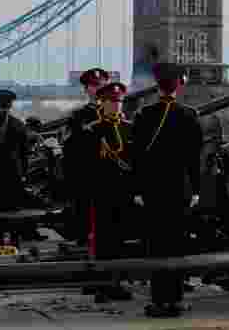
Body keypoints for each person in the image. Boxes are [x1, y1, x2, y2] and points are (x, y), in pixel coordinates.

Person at [132, 62, 203, 318]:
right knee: (177, 243)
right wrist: (196, 189)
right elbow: (195, 158)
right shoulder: (189, 115)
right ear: (179, 85)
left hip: (152, 190)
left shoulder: (143, 115)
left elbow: (136, 157)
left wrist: (138, 189)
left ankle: (159, 300)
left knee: (156, 244)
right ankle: (176, 300)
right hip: (180, 189)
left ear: (157, 86)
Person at [88, 81, 135, 303]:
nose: (116, 105)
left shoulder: (129, 128)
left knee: (120, 239)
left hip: (124, 192)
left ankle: (117, 282)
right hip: (101, 193)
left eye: (119, 101)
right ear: (102, 103)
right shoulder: (93, 130)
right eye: (111, 101)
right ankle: (102, 285)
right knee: (102, 240)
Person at [64, 68, 111, 246]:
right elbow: (70, 149)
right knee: (84, 216)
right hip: (86, 173)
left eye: (101, 85)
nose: (98, 88)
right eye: (94, 85)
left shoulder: (115, 113)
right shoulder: (77, 116)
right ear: (86, 89)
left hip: (109, 172)